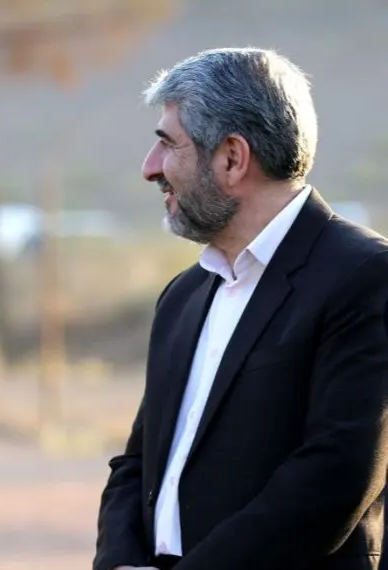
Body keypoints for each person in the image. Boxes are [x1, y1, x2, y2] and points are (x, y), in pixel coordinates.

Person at [93, 47, 388, 570]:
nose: (150, 168)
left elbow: (337, 475)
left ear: (231, 158)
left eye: (168, 144)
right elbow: (137, 463)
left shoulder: (365, 276)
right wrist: (120, 560)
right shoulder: (183, 296)